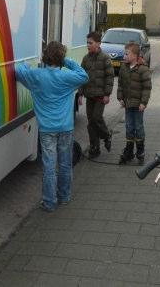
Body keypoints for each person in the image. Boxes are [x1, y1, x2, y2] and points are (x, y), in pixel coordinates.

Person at [15, 41, 88, 212]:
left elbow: (19, 71)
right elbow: (83, 75)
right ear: (61, 58)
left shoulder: (37, 76)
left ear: (45, 56)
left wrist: (26, 63)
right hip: (66, 127)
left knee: (49, 166)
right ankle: (64, 196)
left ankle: (49, 202)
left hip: (47, 129)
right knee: (65, 164)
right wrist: (66, 61)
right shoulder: (67, 77)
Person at [78, 31, 114, 159]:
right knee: (90, 122)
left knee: (97, 118)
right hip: (90, 96)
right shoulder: (86, 59)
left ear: (98, 44)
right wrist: (80, 94)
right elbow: (81, 77)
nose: (88, 45)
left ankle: (106, 135)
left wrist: (107, 94)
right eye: (87, 43)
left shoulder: (105, 58)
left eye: (90, 43)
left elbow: (110, 77)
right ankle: (94, 147)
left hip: (100, 95)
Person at [117, 42, 152, 165]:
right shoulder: (123, 68)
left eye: (127, 54)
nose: (124, 56)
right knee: (129, 127)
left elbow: (147, 88)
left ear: (135, 55)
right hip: (128, 104)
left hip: (138, 105)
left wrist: (143, 102)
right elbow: (120, 84)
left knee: (138, 127)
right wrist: (120, 97)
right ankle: (129, 151)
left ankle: (140, 151)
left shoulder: (143, 68)